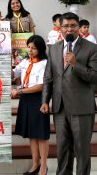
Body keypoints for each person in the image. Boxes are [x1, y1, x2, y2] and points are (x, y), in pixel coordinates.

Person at [41, 12, 97, 175]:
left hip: (81, 107)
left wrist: (75, 64)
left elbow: (94, 77)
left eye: (73, 25)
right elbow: (48, 77)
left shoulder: (91, 48)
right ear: (60, 28)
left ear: (79, 27)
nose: (69, 29)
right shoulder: (54, 48)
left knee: (81, 150)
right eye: (65, 26)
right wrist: (45, 100)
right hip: (59, 107)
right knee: (63, 150)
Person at [11, 35, 50, 175]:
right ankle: (35, 164)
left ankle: (44, 167)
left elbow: (41, 86)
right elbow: (13, 74)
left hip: (38, 99)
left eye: (34, 48)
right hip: (26, 99)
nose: (30, 50)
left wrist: (20, 91)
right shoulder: (24, 62)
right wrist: (8, 62)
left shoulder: (44, 63)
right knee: (32, 134)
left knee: (41, 135)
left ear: (40, 49)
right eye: (29, 47)